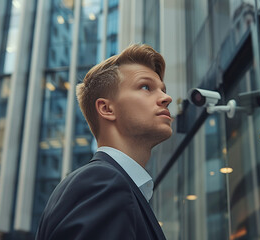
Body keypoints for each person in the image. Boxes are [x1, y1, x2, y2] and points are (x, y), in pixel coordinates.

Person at [35, 44, 172, 240]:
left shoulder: (110, 184)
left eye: (162, 89)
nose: (166, 98)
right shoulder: (103, 181)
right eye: (145, 87)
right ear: (107, 109)